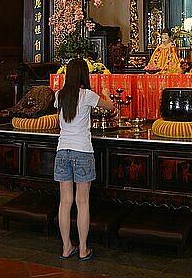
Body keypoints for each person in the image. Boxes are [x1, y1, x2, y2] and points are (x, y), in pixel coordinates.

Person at [54, 57, 114, 261]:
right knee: (82, 202)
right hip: (82, 151)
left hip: (62, 151)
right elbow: (110, 107)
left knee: (64, 202)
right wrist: (106, 94)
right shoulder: (87, 95)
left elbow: (59, 120)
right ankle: (82, 249)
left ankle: (65, 247)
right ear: (83, 75)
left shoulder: (59, 96)